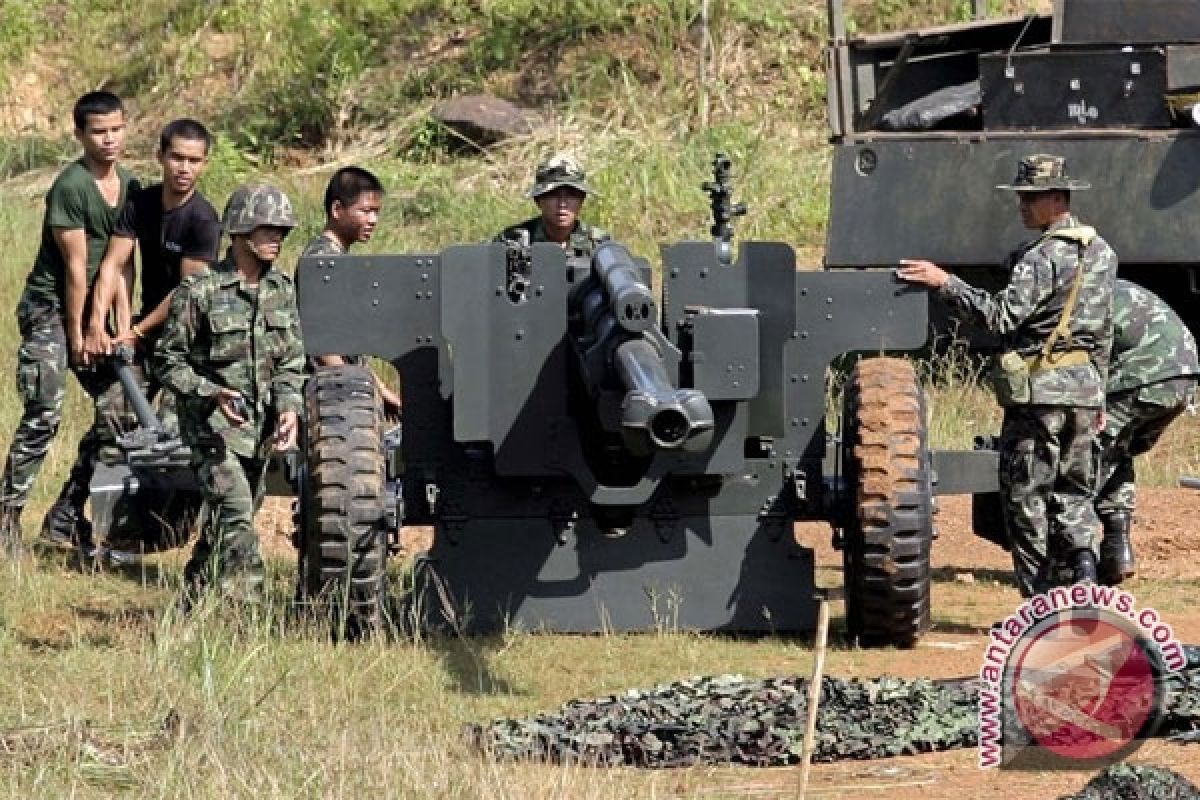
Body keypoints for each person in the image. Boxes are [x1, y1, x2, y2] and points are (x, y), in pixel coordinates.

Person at [896, 154, 1117, 597]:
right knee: (1074, 494)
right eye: (1021, 195)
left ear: (1058, 199)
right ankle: (1086, 578)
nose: (1022, 204)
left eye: (1031, 196)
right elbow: (1104, 330)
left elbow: (1000, 318)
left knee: (1026, 497)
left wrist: (946, 283)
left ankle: (1038, 601)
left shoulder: (1040, 257)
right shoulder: (1102, 252)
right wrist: (1101, 397)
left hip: (1040, 395)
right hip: (1084, 393)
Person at [38, 119, 220, 551]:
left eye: (194, 161)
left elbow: (185, 295)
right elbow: (112, 265)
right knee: (113, 414)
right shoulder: (141, 202)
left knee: (186, 437)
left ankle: (184, 532)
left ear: (204, 165)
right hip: (144, 333)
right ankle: (65, 514)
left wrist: (133, 330)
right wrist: (101, 326)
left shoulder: (204, 220)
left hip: (191, 342)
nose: (184, 168)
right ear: (160, 156)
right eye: (176, 157)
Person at [0, 91, 140, 557]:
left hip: (94, 312)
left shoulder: (131, 187)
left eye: (116, 129)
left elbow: (121, 266)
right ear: (79, 135)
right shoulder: (71, 186)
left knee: (122, 408)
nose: (109, 139)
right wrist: (82, 335)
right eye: (99, 131)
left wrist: (120, 330)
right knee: (44, 412)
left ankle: (64, 517)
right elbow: (77, 271)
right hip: (52, 311)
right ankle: (6, 516)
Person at [154, 184, 306, 604]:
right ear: (240, 232)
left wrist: (289, 408)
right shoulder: (200, 292)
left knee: (226, 521)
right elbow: (167, 361)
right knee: (237, 516)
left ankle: (190, 607)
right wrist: (211, 392)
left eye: (281, 230)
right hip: (208, 429)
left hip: (256, 433)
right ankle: (250, 616)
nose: (276, 237)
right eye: (267, 229)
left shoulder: (282, 291)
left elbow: (291, 362)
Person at [1095, 280, 1198, 585]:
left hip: (1143, 377)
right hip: (1183, 378)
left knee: (1083, 460)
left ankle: (1075, 562)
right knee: (1115, 452)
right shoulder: (1107, 285)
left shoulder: (1083, 297)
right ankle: (1117, 551)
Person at [303, 166, 401, 417]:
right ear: (337, 210)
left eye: (376, 212)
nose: (373, 221)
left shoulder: (337, 259)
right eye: (365, 211)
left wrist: (378, 388)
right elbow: (320, 343)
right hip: (332, 395)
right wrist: (361, 387)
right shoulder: (322, 261)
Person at [495, 153, 609, 259]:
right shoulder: (511, 242)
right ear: (538, 200)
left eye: (572, 195)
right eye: (553, 195)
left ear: (582, 200)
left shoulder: (600, 245)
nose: (562, 203)